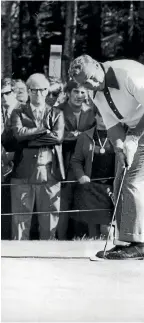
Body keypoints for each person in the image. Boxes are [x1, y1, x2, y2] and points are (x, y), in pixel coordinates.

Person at [69, 54, 144, 260]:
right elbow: (112, 126)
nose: (91, 84)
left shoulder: (127, 72)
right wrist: (120, 148)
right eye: (85, 83)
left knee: (133, 181)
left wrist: (133, 139)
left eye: (92, 78)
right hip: (135, 130)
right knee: (120, 180)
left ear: (97, 65)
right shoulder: (95, 94)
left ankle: (141, 244)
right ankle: (123, 242)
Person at [10, 73, 65, 240]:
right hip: (23, 172)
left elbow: (57, 138)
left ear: (47, 90)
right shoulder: (18, 112)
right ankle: (17, 258)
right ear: (28, 91)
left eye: (42, 90)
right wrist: (42, 130)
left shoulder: (57, 113)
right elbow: (19, 134)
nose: (38, 94)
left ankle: (47, 257)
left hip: (50, 172)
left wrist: (29, 138)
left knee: (49, 220)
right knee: (20, 220)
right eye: (34, 90)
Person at [57, 79, 96, 240]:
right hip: (63, 161)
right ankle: (60, 237)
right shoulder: (58, 110)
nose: (79, 95)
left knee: (83, 200)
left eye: (82, 92)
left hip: (85, 163)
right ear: (68, 93)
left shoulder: (91, 112)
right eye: (75, 91)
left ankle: (83, 238)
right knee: (63, 202)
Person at [71, 110, 115, 238]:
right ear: (95, 116)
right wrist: (81, 176)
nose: (103, 118)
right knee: (92, 231)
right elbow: (76, 160)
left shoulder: (118, 135)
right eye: (101, 114)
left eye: (107, 114)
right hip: (91, 187)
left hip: (111, 188)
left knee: (107, 230)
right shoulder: (84, 136)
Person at [1, 78, 20, 239]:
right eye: (0, 95)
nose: (3, 98)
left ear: (15, 93)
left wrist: (12, 156)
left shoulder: (23, 111)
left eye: (7, 93)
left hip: (19, 166)